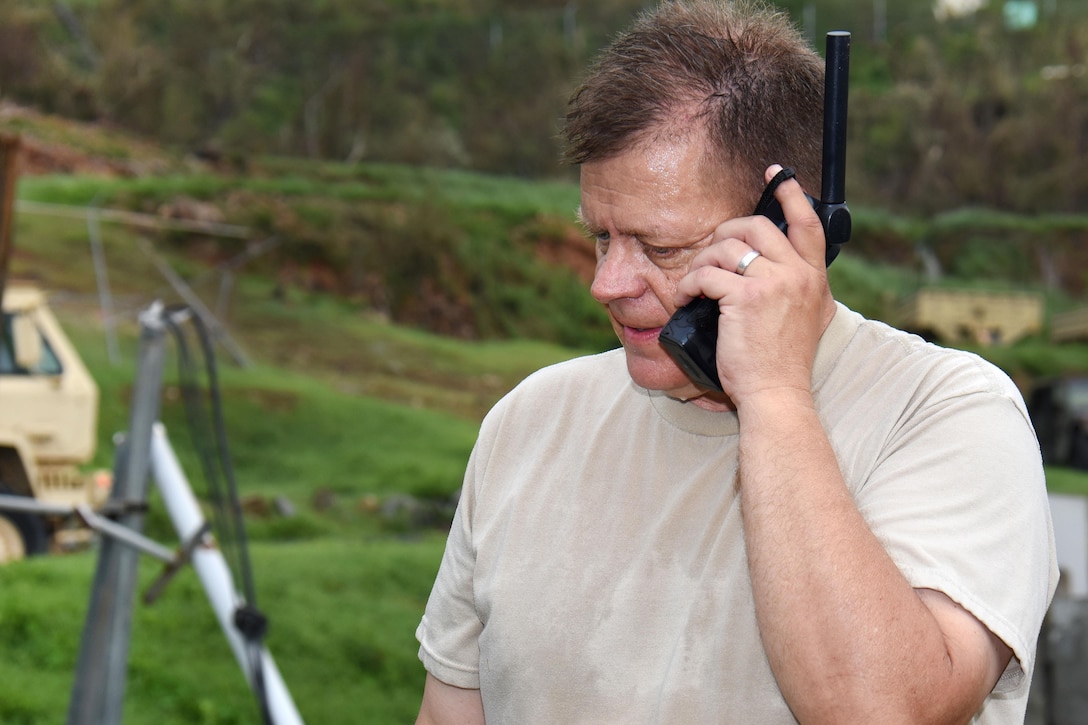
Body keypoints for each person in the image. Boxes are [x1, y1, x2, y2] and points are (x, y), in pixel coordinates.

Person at [414, 1, 1058, 722]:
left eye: (659, 249)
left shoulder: (952, 417)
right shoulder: (529, 421)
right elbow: (448, 712)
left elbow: (882, 712)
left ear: (790, 230)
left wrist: (775, 395)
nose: (607, 285)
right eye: (601, 237)